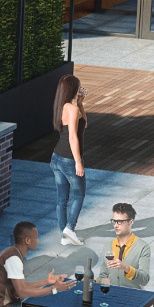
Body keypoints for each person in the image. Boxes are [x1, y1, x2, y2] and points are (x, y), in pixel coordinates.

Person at [80, 202, 151, 307]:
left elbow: (145, 279)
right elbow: (104, 275)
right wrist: (94, 282)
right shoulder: (109, 246)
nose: (116, 225)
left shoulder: (142, 248)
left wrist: (125, 267)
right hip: (110, 297)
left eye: (120, 221)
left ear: (131, 222)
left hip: (133, 298)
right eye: (114, 221)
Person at [0, 220, 75, 307]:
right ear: (27, 240)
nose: (38, 240)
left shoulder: (13, 253)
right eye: (36, 237)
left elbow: (21, 287)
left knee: (48, 306)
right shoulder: (13, 258)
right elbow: (22, 292)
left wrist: (45, 282)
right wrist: (53, 289)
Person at [51, 74, 87, 247]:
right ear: (72, 89)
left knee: (62, 199)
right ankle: (70, 229)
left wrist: (80, 103)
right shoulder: (71, 109)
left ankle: (64, 237)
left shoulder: (62, 107)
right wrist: (78, 162)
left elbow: (84, 125)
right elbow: (73, 137)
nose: (80, 89)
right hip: (68, 160)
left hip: (56, 158)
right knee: (79, 194)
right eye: (78, 87)